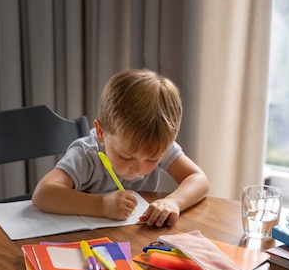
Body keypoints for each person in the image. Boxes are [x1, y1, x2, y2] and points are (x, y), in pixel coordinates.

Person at [32, 68, 209, 228]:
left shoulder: (156, 144)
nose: (139, 169)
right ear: (101, 132)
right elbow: (43, 194)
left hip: (129, 238)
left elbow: (198, 179)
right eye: (125, 156)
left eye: (152, 159)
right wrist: (101, 206)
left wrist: (173, 202)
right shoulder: (87, 154)